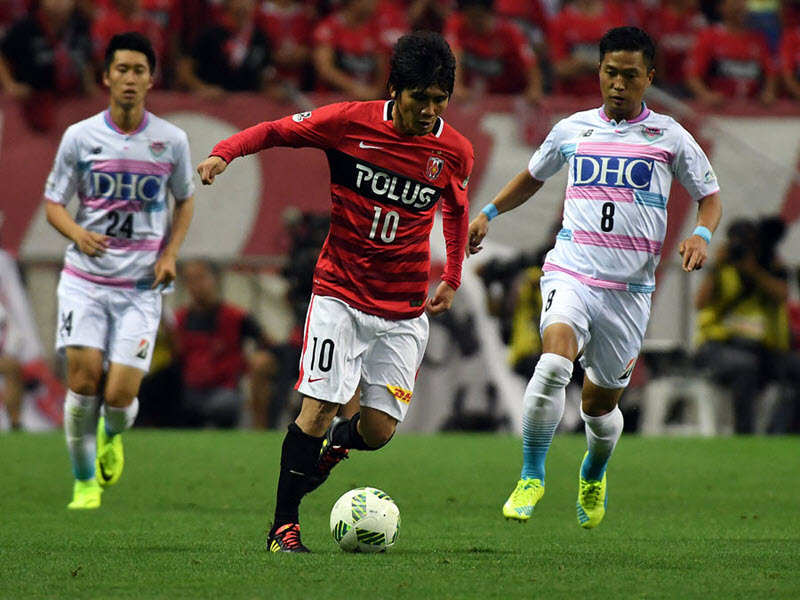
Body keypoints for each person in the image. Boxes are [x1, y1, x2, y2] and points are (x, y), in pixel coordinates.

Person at [197, 30, 473, 552]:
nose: (429, 111)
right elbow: (278, 130)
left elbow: (456, 213)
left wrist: (452, 277)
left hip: (404, 308)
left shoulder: (454, 150)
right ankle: (283, 527)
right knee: (317, 406)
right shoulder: (349, 123)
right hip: (339, 293)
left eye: (440, 101)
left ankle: (332, 449)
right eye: (420, 98)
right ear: (395, 89)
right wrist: (224, 153)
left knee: (378, 432)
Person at [467, 26, 722, 529]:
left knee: (598, 408)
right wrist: (489, 212)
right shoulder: (572, 129)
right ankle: (531, 476)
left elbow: (710, 197)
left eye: (631, 75)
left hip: (629, 292)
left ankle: (593, 469)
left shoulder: (670, 136)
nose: (619, 84)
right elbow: (533, 177)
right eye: (610, 73)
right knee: (552, 363)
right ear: (599, 73)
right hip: (572, 270)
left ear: (649, 77)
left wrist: (701, 236)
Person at [44, 32, 195, 510]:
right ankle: (84, 481)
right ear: (106, 76)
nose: (130, 78)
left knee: (119, 396)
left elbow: (186, 199)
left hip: (140, 285)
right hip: (85, 282)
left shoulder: (171, 141)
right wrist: (77, 233)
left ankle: (112, 435)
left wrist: (170, 254)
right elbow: (53, 203)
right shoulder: (81, 136)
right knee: (83, 381)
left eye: (139, 70)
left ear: (151, 79)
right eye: (122, 69)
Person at [695, 217, 800, 434]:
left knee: (794, 367)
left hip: (763, 348)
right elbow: (700, 303)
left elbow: (782, 294)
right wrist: (716, 267)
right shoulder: (722, 268)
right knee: (745, 366)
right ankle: (745, 433)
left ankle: (779, 431)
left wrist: (755, 271)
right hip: (720, 346)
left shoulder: (766, 267)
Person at [173, 259, 275, 428]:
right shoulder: (178, 319)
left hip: (224, 390)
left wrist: (256, 359)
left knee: (223, 406)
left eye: (200, 278)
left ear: (215, 279)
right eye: (189, 280)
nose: (195, 285)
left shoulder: (235, 316)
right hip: (189, 391)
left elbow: (267, 341)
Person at [0, 0, 94, 131]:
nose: (59, 3)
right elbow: (2, 55)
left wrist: (89, 81)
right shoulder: (25, 26)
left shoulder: (81, 25)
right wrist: (10, 84)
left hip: (71, 98)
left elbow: (86, 56)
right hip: (34, 100)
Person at [685, 0, 776, 106]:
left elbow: (771, 73)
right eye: (734, 3)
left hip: (752, 109)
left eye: (742, 4)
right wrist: (705, 94)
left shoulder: (758, 39)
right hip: (720, 108)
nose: (739, 8)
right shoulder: (708, 36)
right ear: (722, 7)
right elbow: (692, 75)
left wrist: (769, 92)